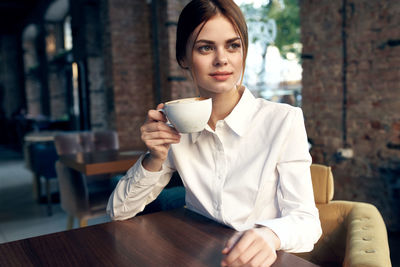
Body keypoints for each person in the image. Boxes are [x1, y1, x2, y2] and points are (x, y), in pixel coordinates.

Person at [107, 0, 322, 266]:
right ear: (184, 58)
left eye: (233, 46)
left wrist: (270, 235)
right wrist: (154, 158)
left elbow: (307, 221)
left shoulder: (283, 120)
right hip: (197, 254)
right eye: (206, 47)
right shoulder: (176, 129)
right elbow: (118, 212)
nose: (222, 59)